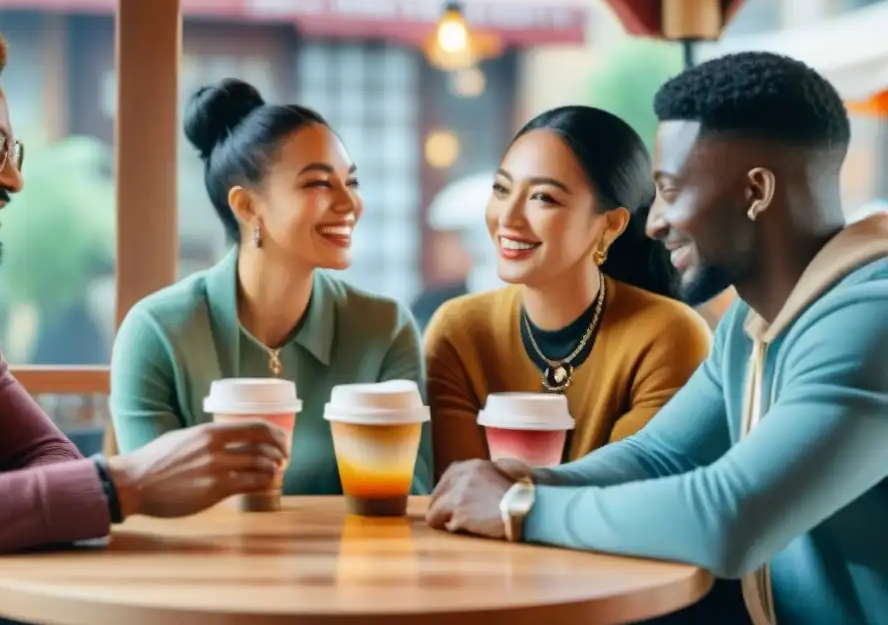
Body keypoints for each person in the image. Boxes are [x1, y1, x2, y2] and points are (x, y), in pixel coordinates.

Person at [427, 52, 888, 625]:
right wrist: (532, 478)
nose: (654, 222)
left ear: (757, 192)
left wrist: (522, 507)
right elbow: (662, 454)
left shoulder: (872, 319)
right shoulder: (754, 326)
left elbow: (729, 519)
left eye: (670, 191)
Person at [0, 6, 289, 623]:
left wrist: (98, 489)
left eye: (12, 150)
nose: (12, 179)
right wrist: (123, 484)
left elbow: (47, 459)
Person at [109, 78, 431, 495]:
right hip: (203, 561)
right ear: (247, 206)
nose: (350, 203)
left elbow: (410, 498)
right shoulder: (157, 332)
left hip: (350, 561)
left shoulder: (385, 329)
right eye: (318, 183)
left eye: (350, 182)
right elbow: (152, 499)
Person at [425, 106, 711, 479]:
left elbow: (632, 492)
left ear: (609, 225)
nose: (507, 218)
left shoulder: (669, 336)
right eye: (501, 189)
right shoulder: (459, 330)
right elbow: (460, 492)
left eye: (543, 197)